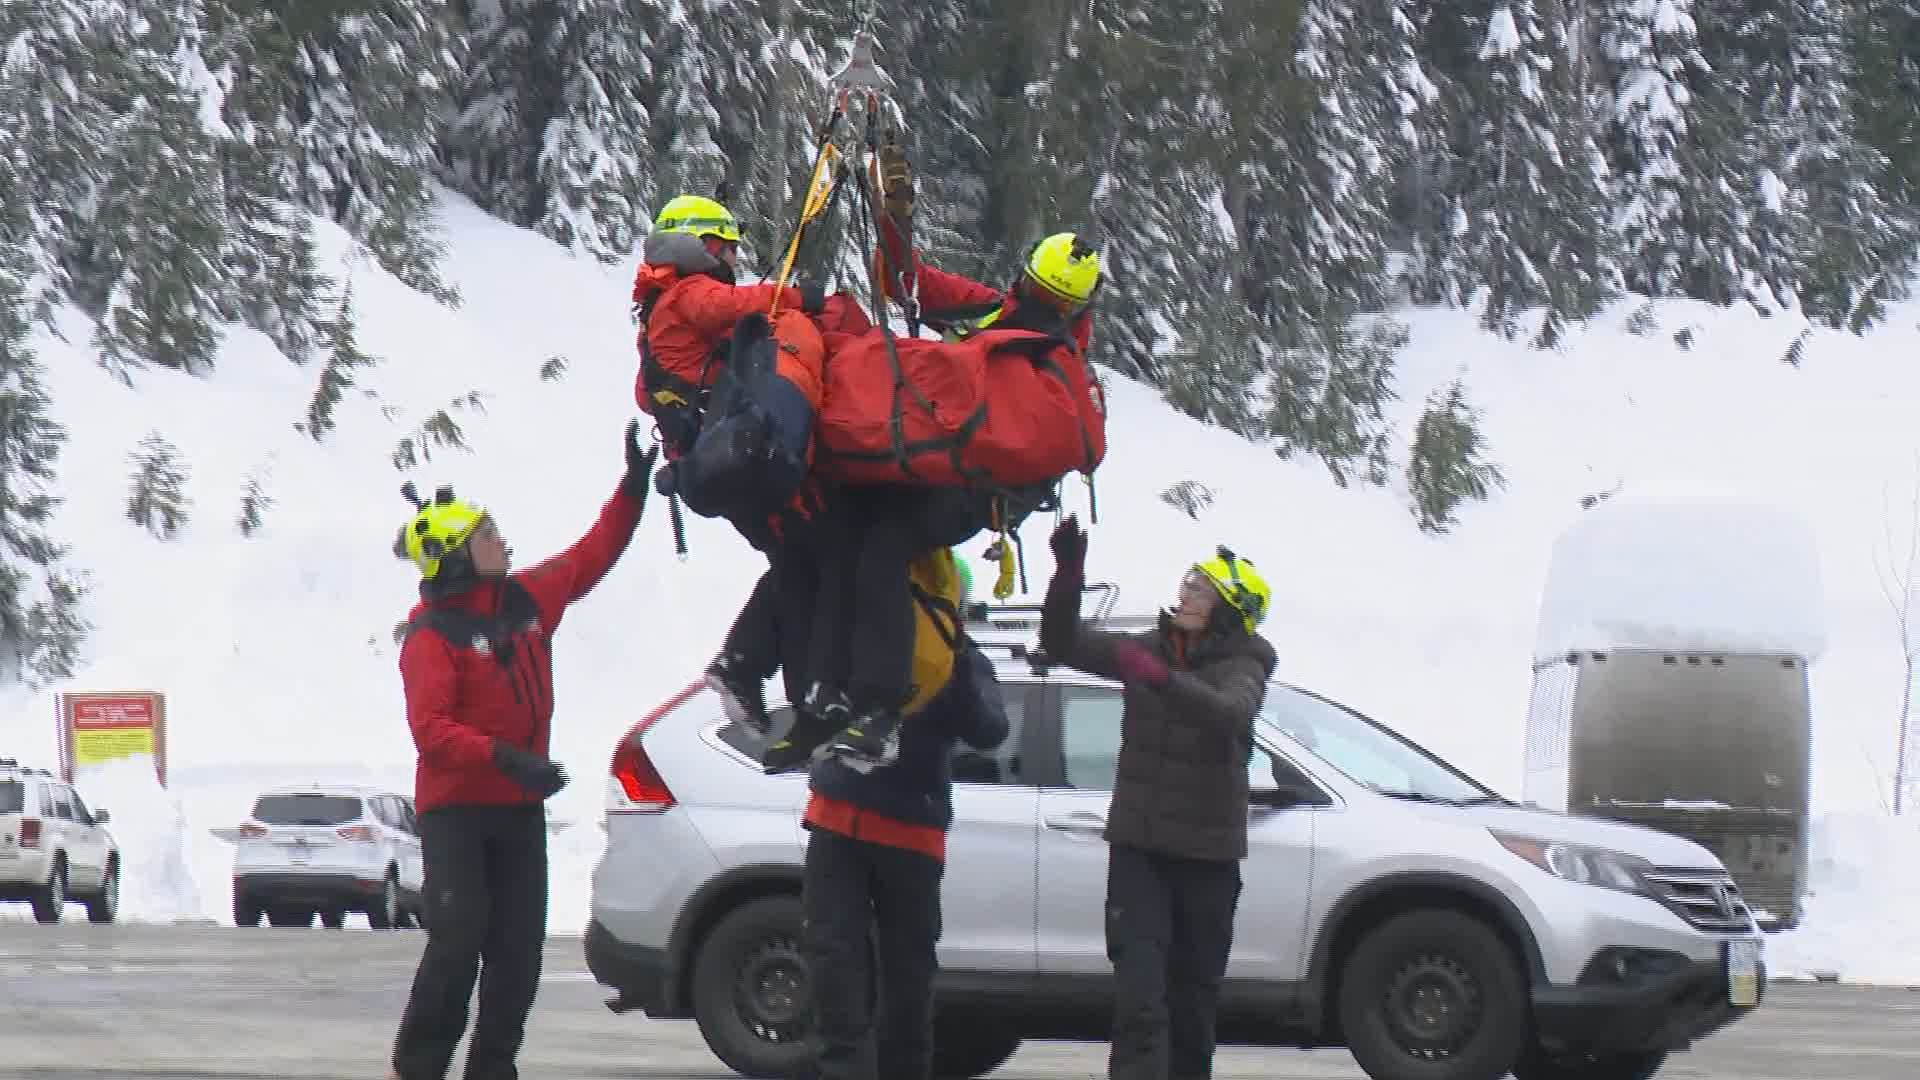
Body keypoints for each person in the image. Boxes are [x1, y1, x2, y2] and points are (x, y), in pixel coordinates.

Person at [387, 422, 657, 1080]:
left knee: (518, 957)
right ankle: (417, 1068)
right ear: (454, 553)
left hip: (518, 812)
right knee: (458, 945)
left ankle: (492, 1069)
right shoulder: (430, 637)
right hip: (457, 816)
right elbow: (433, 731)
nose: (500, 540)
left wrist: (633, 489)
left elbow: (592, 553)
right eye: (485, 534)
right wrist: (505, 758)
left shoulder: (528, 598)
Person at [1037, 515, 1278, 1080]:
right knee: (1140, 1007)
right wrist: (1068, 574)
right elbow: (1062, 641)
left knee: (1191, 1011)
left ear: (1229, 608)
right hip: (1140, 853)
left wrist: (1163, 680)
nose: (1186, 591)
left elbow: (1229, 714)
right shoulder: (1150, 646)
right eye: (1189, 580)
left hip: (1208, 863)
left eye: (1201, 587)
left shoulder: (1245, 663)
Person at [797, 626, 1011, 1080]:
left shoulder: (963, 657)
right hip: (839, 820)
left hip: (911, 833)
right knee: (834, 962)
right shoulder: (863, 633)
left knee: (908, 980)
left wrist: (952, 660)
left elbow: (990, 729)